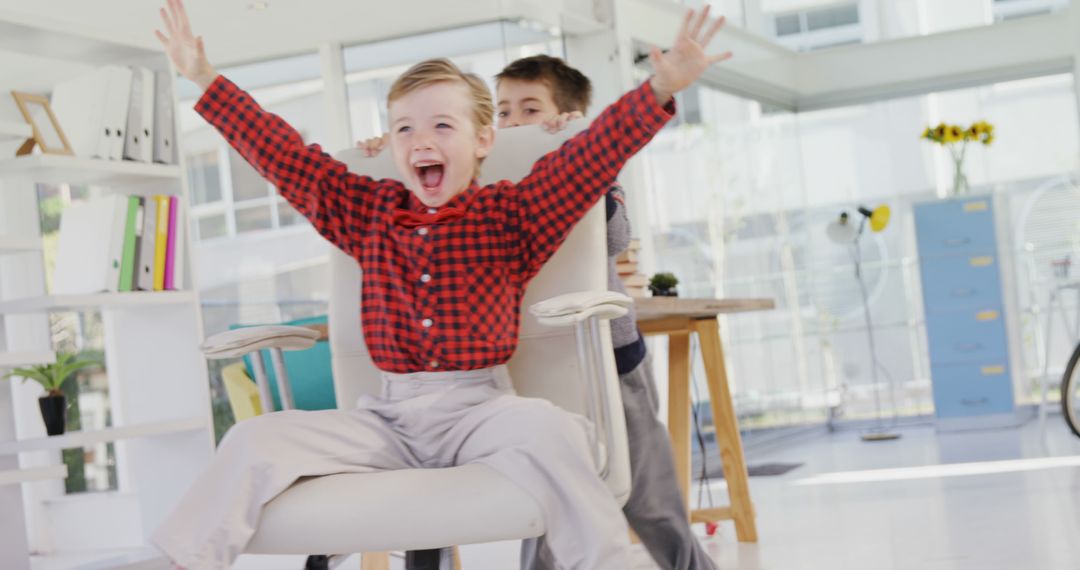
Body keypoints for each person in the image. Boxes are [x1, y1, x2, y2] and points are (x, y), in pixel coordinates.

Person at [149, 0, 731, 568]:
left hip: (480, 406)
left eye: (440, 125)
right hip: (387, 418)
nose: (419, 140)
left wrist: (656, 91)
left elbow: (589, 159)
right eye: (403, 128)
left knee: (557, 432)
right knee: (253, 441)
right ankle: (182, 560)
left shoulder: (511, 215)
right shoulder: (363, 210)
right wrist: (203, 78)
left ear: (482, 142)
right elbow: (283, 155)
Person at [360, 54, 721, 570]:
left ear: (564, 115)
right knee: (542, 495)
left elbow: (615, 235)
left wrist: (579, 143)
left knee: (646, 500)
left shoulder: (563, 162)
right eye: (503, 111)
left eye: (530, 109)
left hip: (603, 358)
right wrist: (381, 151)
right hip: (508, 371)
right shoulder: (461, 177)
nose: (514, 123)